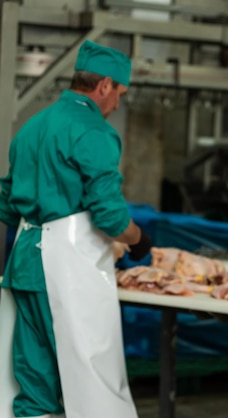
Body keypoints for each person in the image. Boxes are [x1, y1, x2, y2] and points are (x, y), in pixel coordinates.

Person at [0, 40, 152, 418]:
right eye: (119, 92)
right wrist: (138, 239)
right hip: (68, 272)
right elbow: (109, 215)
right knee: (93, 383)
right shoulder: (93, 131)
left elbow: (5, 199)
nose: (117, 103)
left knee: (33, 383)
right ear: (104, 86)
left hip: (25, 267)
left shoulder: (32, 126)